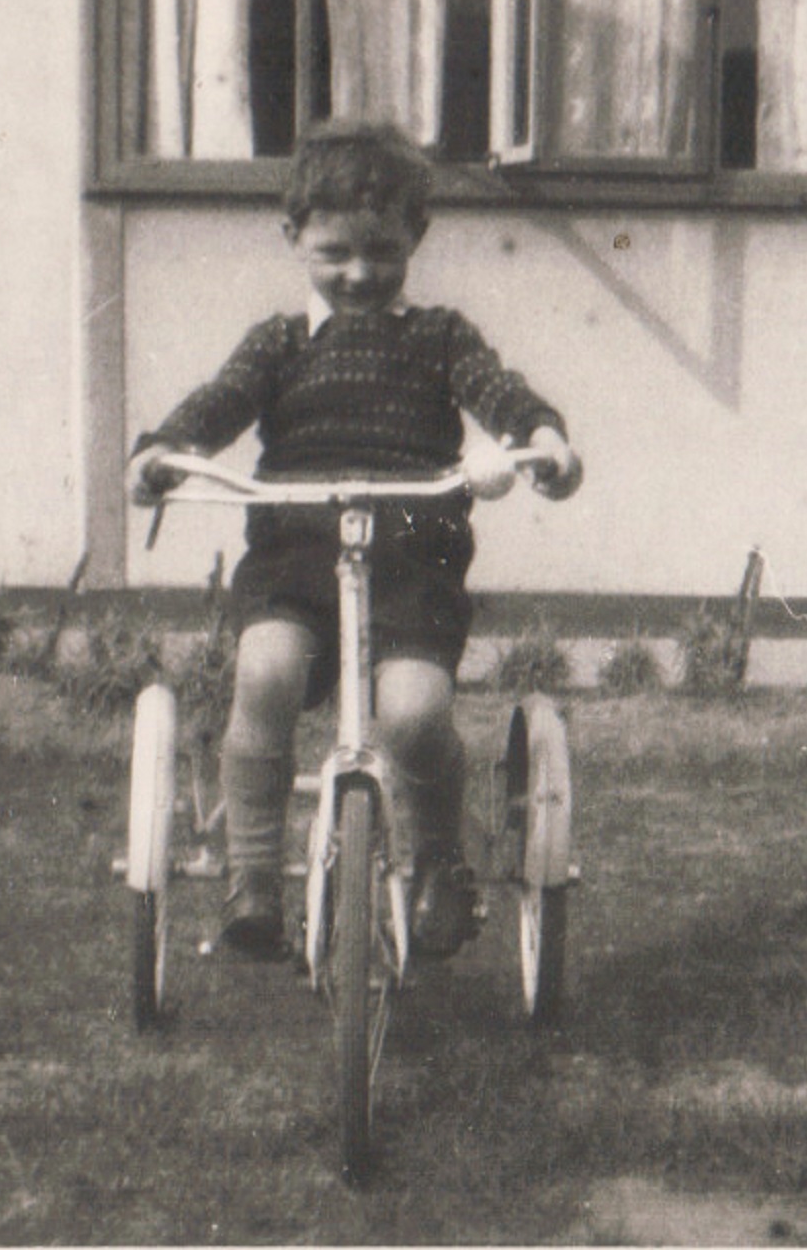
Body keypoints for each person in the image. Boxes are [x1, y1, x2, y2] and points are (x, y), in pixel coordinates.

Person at [125, 121, 582, 961]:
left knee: (413, 714)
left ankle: (440, 860)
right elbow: (219, 403)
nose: (361, 272)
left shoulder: (441, 336)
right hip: (294, 548)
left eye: (382, 250)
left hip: (412, 551)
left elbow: (501, 394)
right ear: (293, 236)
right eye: (335, 252)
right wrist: (163, 451)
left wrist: (543, 440)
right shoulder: (278, 343)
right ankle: (253, 876)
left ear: (418, 236)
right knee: (263, 675)